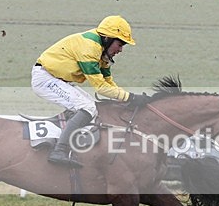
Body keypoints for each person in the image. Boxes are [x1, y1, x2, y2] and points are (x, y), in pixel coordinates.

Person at [31, 15, 149, 167]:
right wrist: (130, 97)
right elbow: (101, 88)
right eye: (120, 44)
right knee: (87, 108)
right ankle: (59, 151)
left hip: (57, 79)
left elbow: (108, 83)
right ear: (107, 38)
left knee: (90, 106)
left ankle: (62, 138)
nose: (120, 50)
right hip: (45, 79)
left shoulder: (103, 52)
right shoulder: (90, 48)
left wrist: (127, 98)